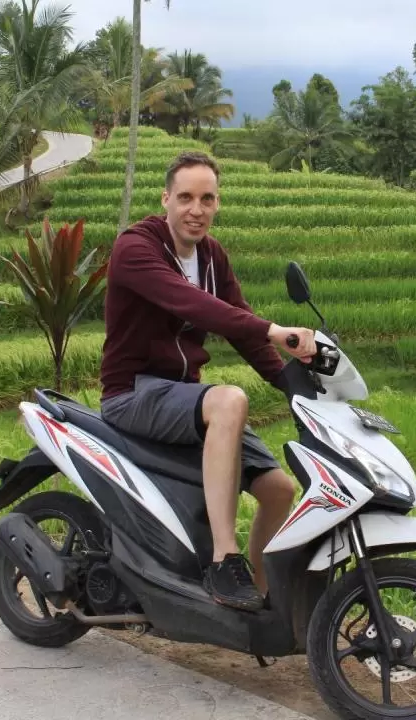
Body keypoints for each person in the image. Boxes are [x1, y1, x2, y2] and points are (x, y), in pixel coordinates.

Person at [99, 150, 318, 611]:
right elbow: (191, 304)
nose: (196, 209)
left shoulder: (213, 255)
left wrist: (296, 386)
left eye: (207, 198)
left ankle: (258, 597)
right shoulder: (135, 248)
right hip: (132, 392)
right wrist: (274, 329)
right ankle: (224, 559)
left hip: (180, 397)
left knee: (280, 489)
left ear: (218, 203)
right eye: (185, 197)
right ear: (166, 199)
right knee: (229, 400)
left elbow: (238, 327)